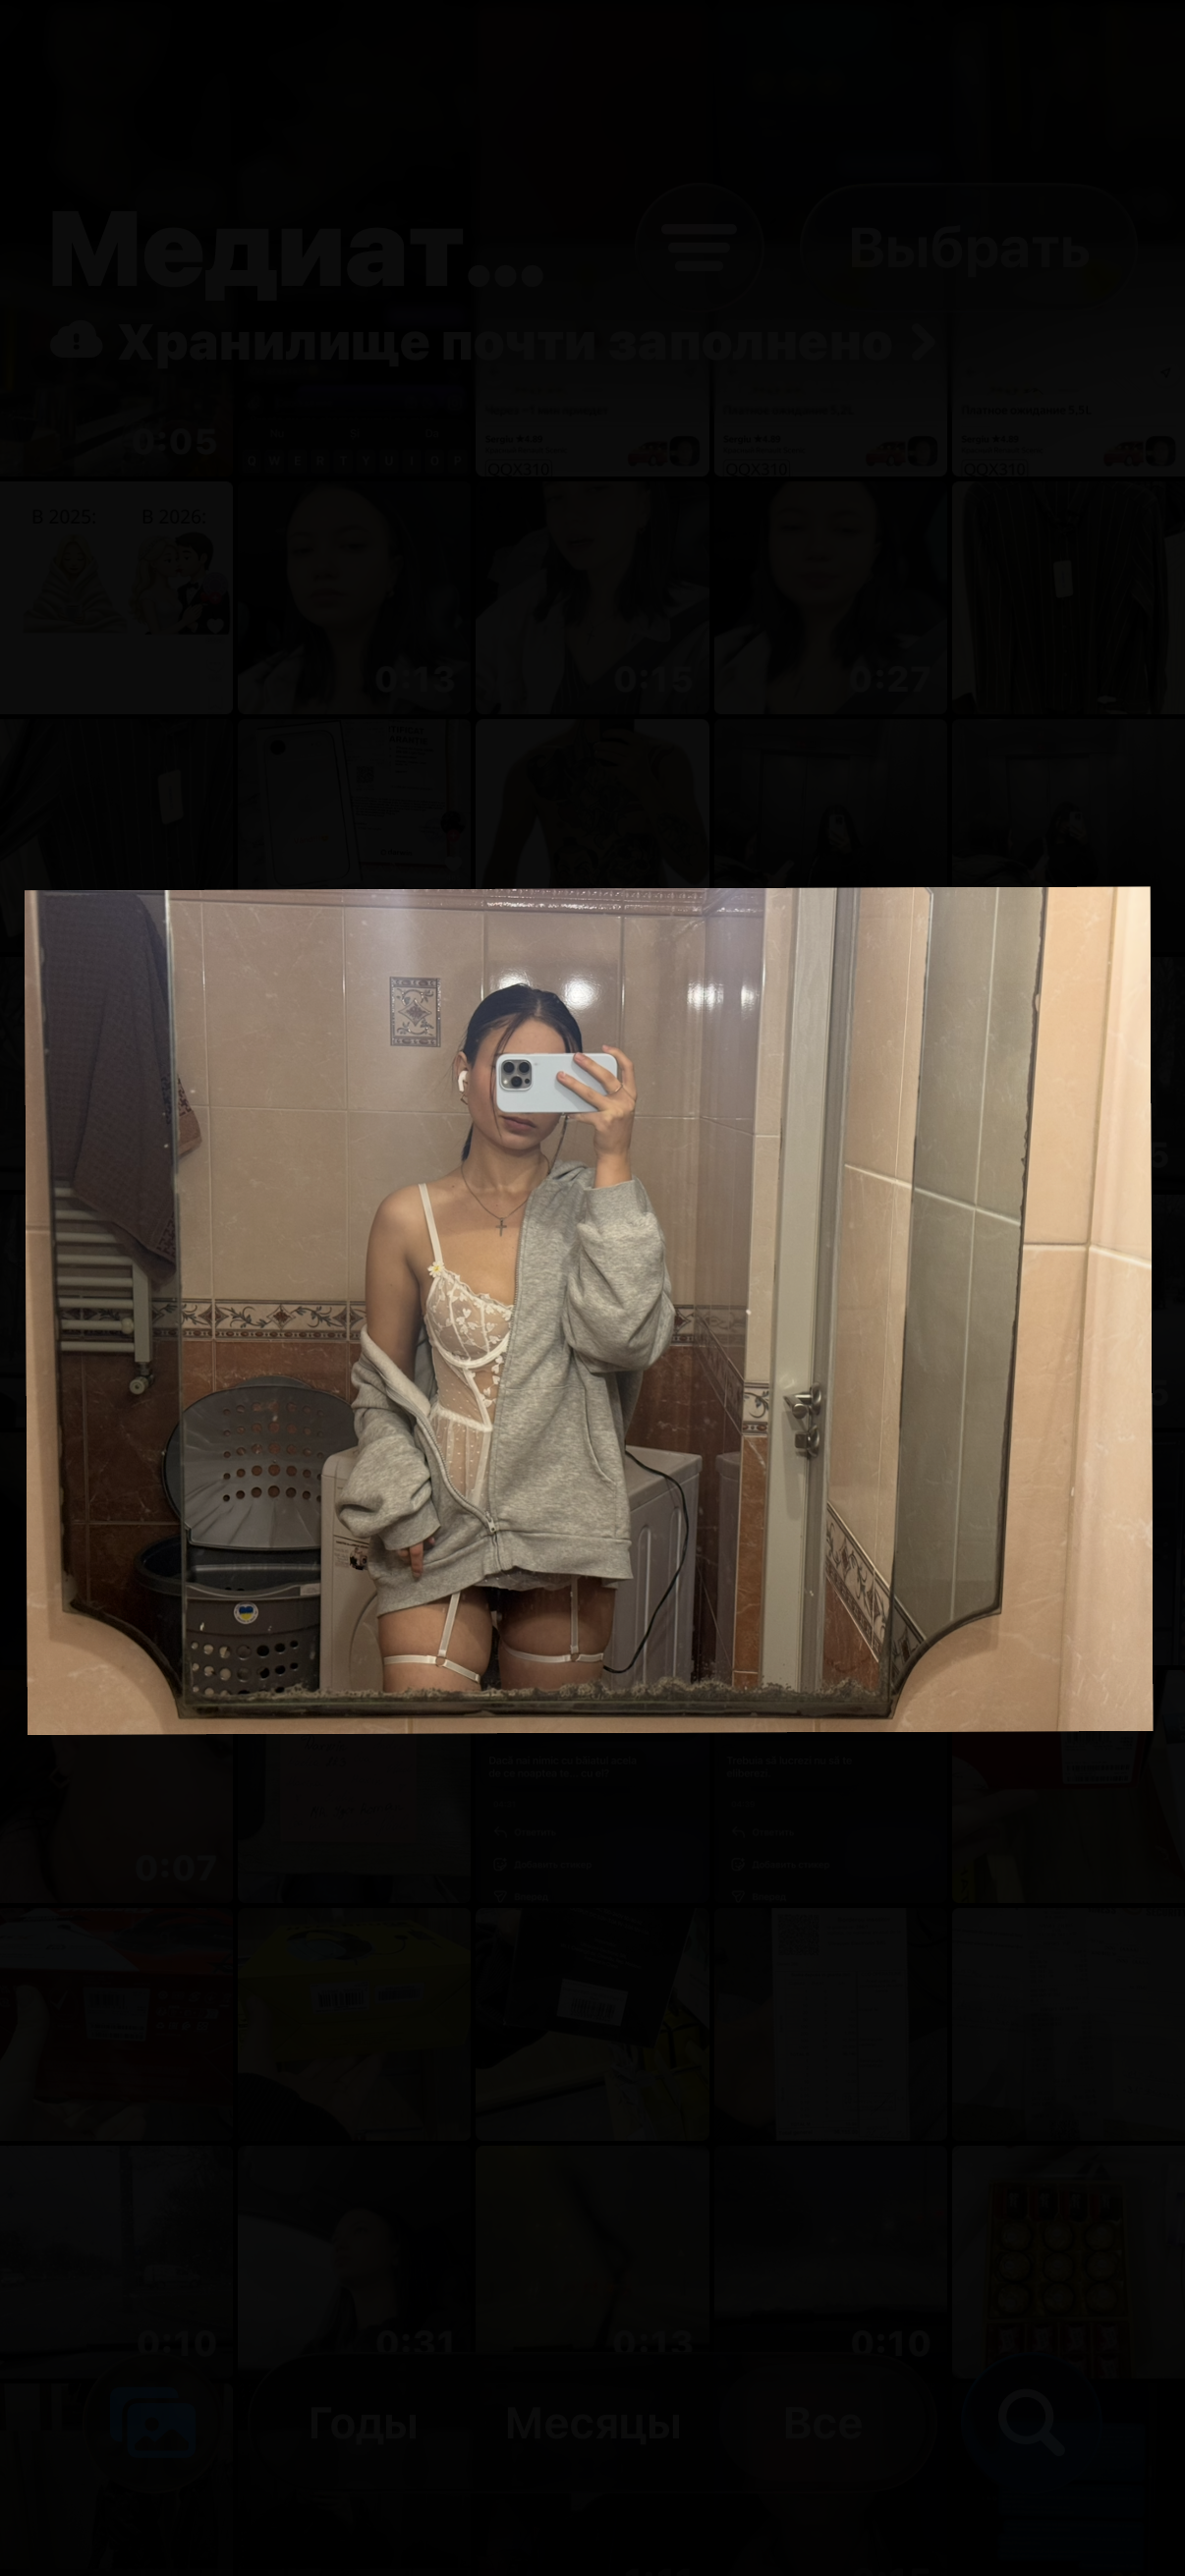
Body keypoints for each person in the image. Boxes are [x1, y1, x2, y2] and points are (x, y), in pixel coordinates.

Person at [339, 985, 674, 1696]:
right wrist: (400, 1503)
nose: (525, 1098)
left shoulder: (604, 1206)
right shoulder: (407, 1217)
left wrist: (614, 1157)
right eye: (509, 1069)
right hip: (437, 1525)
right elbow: (380, 1386)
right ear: (465, 1071)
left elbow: (622, 1341)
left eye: (548, 1077)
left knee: (543, 1752)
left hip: (563, 1527)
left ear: (573, 1087)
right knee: (422, 1744)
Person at [476, 477, 708, 713]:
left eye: (596, 490)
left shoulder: (698, 624)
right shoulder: (536, 595)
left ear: (643, 507)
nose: (569, 515)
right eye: (555, 497)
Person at [714, 479, 947, 714]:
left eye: (846, 529)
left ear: (874, 554)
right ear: (769, 547)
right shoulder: (716, 658)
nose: (817, 550)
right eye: (793, 527)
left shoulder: (931, 665)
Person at [237, 482, 467, 714]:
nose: (322, 568)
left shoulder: (460, 690)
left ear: (392, 571)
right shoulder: (250, 693)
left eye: (351, 545)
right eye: (302, 549)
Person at [483, 719, 708, 886]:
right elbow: (501, 869)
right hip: (573, 923)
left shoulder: (664, 760)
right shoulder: (535, 767)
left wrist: (645, 784)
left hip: (644, 924)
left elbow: (696, 869)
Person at [173, 531, 230, 634]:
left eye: (186, 557)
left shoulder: (218, 591)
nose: (179, 563)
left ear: (203, 558)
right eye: (177, 558)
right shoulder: (180, 590)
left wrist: (194, 626)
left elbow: (224, 630)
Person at [128, 534, 186, 634]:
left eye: (176, 559)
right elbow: (155, 634)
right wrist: (185, 622)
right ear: (154, 564)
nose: (176, 564)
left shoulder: (174, 592)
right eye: (168, 560)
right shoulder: (147, 596)